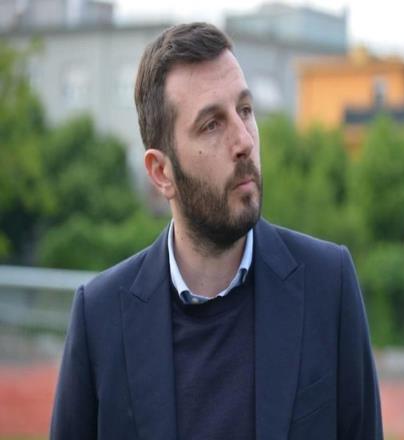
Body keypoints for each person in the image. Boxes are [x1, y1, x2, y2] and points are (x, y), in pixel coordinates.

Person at [50, 22, 383, 440]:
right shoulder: (100, 318)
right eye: (211, 124)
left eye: (245, 110)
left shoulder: (328, 284)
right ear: (161, 172)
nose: (244, 141)